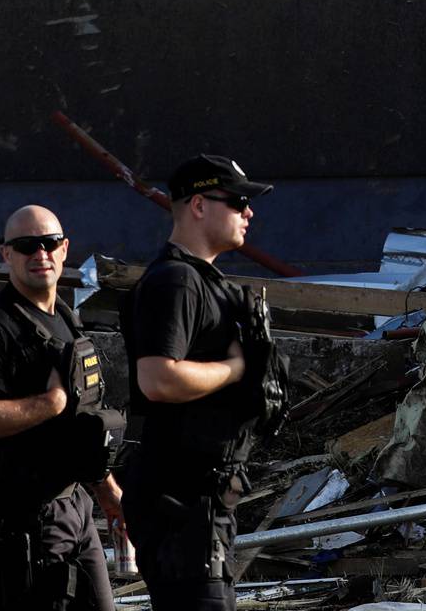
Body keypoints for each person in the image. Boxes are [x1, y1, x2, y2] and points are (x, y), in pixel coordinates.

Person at [118, 155, 287, 611]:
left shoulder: (206, 283)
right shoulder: (176, 283)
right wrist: (237, 369)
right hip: (178, 502)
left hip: (204, 501)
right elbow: (158, 379)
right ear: (197, 205)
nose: (248, 212)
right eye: (237, 201)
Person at [0, 205, 125, 611]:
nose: (40, 254)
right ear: (7, 254)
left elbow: (81, 422)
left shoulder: (64, 315)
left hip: (75, 504)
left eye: (48, 244)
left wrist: (107, 489)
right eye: (27, 246)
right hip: (28, 516)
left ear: (64, 249)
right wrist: (51, 402)